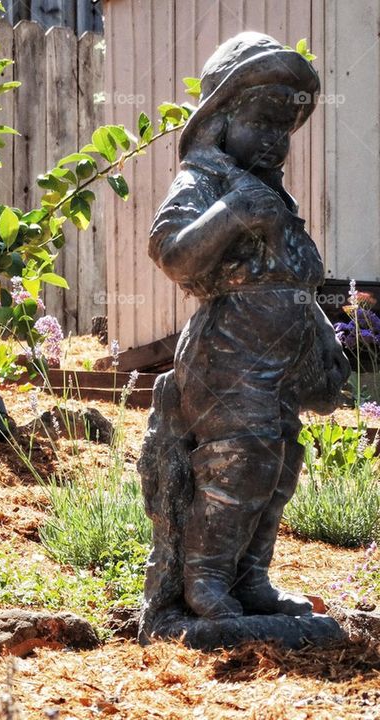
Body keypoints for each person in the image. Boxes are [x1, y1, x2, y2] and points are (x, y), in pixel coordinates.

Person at [142, 33, 349, 624]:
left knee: (280, 463)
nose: (275, 141)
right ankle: (203, 579)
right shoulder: (206, 181)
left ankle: (250, 576)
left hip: (281, 363)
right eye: (262, 123)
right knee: (241, 460)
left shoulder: (273, 194)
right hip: (227, 358)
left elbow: (293, 284)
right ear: (220, 118)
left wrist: (321, 337)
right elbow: (173, 255)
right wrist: (232, 214)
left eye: (284, 129)